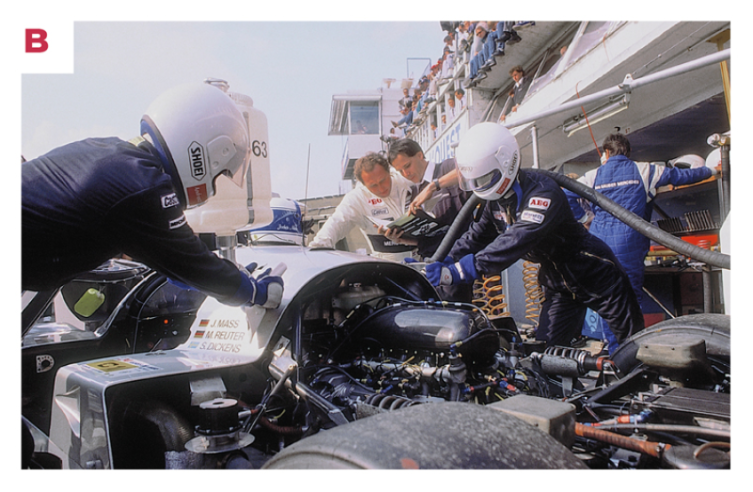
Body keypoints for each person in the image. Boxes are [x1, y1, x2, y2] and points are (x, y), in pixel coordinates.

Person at [22, 82, 283, 308]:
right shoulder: (143, 188)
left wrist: (226, 275)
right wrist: (255, 292)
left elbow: (176, 263)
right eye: (218, 175)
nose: (213, 187)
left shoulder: (113, 153)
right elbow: (191, 267)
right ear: (206, 154)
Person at [426, 123, 644, 350]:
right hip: (558, 283)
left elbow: (516, 240)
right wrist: (439, 261)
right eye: (473, 182)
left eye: (484, 179)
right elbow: (475, 237)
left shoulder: (543, 192)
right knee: (545, 358)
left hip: (596, 274)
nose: (478, 187)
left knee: (631, 350)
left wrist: (459, 271)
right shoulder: (495, 203)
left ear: (505, 163)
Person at [565, 133, 716, 353]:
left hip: (599, 243)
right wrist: (712, 170)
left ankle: (614, 350)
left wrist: (586, 218)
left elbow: (567, 192)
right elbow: (681, 177)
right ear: (627, 151)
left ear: (606, 153)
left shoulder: (592, 175)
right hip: (630, 243)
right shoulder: (645, 170)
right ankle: (631, 351)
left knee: (609, 299)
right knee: (632, 298)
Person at [387, 138, 472, 302]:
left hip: (455, 261)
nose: (406, 174)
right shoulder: (414, 191)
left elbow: (471, 169)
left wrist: (434, 186)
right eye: (400, 171)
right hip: (431, 265)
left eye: (407, 166)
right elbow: (432, 233)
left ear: (420, 155)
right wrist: (406, 239)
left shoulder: (446, 168)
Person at [308, 152, 415, 261]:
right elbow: (337, 222)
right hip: (390, 265)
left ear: (389, 172)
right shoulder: (357, 198)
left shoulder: (408, 181)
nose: (381, 188)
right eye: (373, 186)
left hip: (425, 260)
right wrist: (316, 248)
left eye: (383, 180)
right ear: (363, 184)